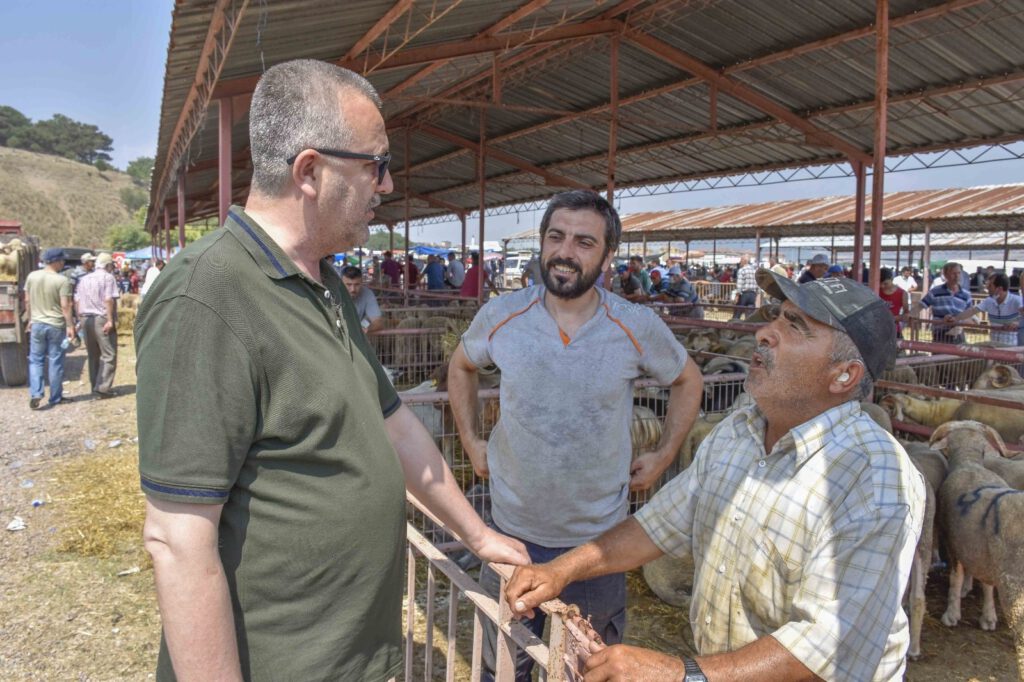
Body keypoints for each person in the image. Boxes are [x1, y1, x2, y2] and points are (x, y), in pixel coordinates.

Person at [135, 59, 528, 682]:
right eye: (375, 164)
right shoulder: (207, 297)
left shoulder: (321, 281)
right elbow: (178, 541)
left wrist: (477, 536)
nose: (388, 184)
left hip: (353, 654)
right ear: (310, 171)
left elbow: (392, 422)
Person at [507, 269, 925, 682]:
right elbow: (659, 524)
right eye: (777, 316)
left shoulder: (872, 478)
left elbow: (828, 648)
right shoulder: (739, 431)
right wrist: (561, 570)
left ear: (843, 375)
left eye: (795, 326)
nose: (765, 332)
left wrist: (678, 674)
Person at [448, 189, 704, 682]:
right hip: (510, 536)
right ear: (542, 245)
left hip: (595, 547)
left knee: (590, 668)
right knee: (503, 665)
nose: (566, 252)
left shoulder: (633, 325)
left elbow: (687, 379)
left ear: (608, 256)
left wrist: (663, 453)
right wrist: (471, 440)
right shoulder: (502, 316)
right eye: (555, 237)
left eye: (585, 242)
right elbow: (461, 366)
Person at [24, 248, 76, 409]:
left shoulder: (32, 276)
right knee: (55, 361)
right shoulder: (62, 281)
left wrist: (30, 319)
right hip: (55, 325)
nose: (63, 263)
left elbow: (27, 300)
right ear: (56, 261)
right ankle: (55, 397)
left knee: (36, 360)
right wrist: (70, 326)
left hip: (37, 323)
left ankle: (36, 393)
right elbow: (65, 306)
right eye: (62, 261)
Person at [75, 252, 119, 397]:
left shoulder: (85, 278)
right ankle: (103, 387)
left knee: (93, 355)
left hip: (85, 318)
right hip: (101, 318)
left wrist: (79, 320)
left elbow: (77, 300)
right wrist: (110, 320)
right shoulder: (108, 277)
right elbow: (108, 300)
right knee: (109, 354)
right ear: (108, 265)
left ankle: (95, 385)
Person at [944, 273, 1022, 347]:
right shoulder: (989, 301)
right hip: (993, 345)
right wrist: (955, 318)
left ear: (999, 289)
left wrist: (1018, 323)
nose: (987, 288)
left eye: (990, 285)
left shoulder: (1017, 300)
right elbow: (972, 311)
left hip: (1011, 347)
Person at [908, 261, 972, 344]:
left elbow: (970, 315)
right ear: (945, 275)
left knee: (957, 356)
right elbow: (920, 306)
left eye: (959, 273)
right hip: (940, 335)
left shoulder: (966, 295)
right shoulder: (935, 292)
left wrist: (958, 320)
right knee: (938, 356)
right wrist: (911, 316)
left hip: (958, 335)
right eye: (953, 273)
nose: (957, 276)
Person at [340, 265, 384, 334]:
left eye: (357, 284)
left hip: (356, 334)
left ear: (362, 283)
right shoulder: (333, 293)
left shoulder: (367, 293)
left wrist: (365, 328)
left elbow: (378, 321)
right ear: (341, 283)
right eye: (348, 284)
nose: (353, 289)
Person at [878, 267, 909, 337]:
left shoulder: (902, 293)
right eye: (880, 283)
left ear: (892, 279)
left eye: (885, 283)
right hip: (877, 329)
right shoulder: (876, 290)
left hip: (893, 330)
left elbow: (906, 315)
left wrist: (894, 318)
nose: (882, 286)